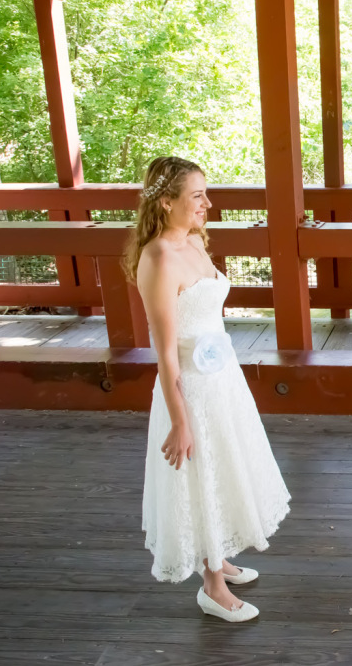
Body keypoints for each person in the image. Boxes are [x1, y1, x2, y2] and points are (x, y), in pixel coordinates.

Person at [124, 156, 291, 622]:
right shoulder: (158, 258)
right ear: (166, 201)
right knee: (200, 479)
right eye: (197, 195)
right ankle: (212, 588)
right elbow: (165, 351)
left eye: (205, 193)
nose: (207, 203)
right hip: (190, 390)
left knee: (225, 469)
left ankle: (219, 558)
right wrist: (180, 421)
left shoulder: (196, 241)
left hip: (223, 381)